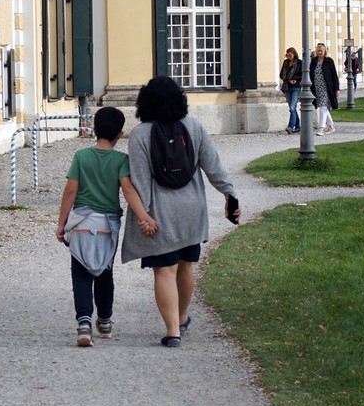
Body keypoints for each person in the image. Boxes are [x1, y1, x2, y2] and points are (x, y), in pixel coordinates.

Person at [122, 76, 240, 348]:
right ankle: (183, 315)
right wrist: (230, 194)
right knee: (185, 267)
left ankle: (172, 330)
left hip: (161, 212)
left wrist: (145, 215)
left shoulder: (141, 134)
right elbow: (213, 166)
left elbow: (140, 179)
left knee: (164, 270)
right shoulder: (194, 126)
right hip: (191, 210)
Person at [55, 107, 157, 347]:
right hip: (107, 226)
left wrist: (61, 223)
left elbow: (70, 190)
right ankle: (105, 320)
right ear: (120, 135)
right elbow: (129, 190)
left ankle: (83, 323)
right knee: (104, 272)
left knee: (80, 273)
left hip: (81, 224)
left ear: (93, 129)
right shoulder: (121, 160)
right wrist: (144, 216)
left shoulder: (81, 157)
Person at [311, 42, 339, 136]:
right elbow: (311, 73)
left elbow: (334, 75)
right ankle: (331, 126)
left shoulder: (329, 61)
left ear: (325, 51)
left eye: (321, 50)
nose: (319, 52)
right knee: (323, 106)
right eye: (318, 50)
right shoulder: (314, 60)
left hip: (327, 88)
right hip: (316, 87)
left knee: (323, 106)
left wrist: (337, 88)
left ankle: (321, 127)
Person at [279, 47, 302, 134]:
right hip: (287, 87)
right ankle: (298, 126)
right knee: (292, 108)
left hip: (296, 87)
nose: (289, 57)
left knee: (292, 107)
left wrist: (295, 79)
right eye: (287, 55)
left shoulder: (299, 63)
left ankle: (290, 127)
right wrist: (288, 80)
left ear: (294, 54)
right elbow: (281, 74)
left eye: (290, 55)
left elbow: (302, 75)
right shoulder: (286, 62)